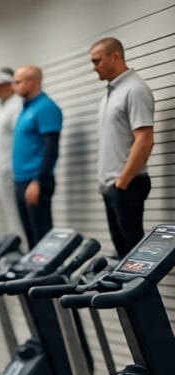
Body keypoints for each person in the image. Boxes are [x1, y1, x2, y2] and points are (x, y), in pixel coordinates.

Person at [91, 37, 155, 258]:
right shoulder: (111, 92)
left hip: (127, 186)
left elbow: (145, 139)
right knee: (124, 258)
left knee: (135, 260)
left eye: (97, 61)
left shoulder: (134, 89)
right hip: (113, 187)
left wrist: (123, 181)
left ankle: (145, 295)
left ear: (115, 56)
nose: (94, 67)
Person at [12, 65, 63, 247]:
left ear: (31, 82)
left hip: (35, 181)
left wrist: (38, 181)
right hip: (21, 181)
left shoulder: (46, 107)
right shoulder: (26, 109)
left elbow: (51, 148)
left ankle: (46, 274)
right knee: (31, 239)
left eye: (17, 82)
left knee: (42, 238)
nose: (13, 86)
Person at [0, 67, 25, 245]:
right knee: (9, 217)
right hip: (0, 171)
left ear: (10, 85)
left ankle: (22, 248)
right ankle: (14, 247)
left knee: (17, 217)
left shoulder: (16, 106)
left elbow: (20, 139)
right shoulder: (3, 109)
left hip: (10, 171)